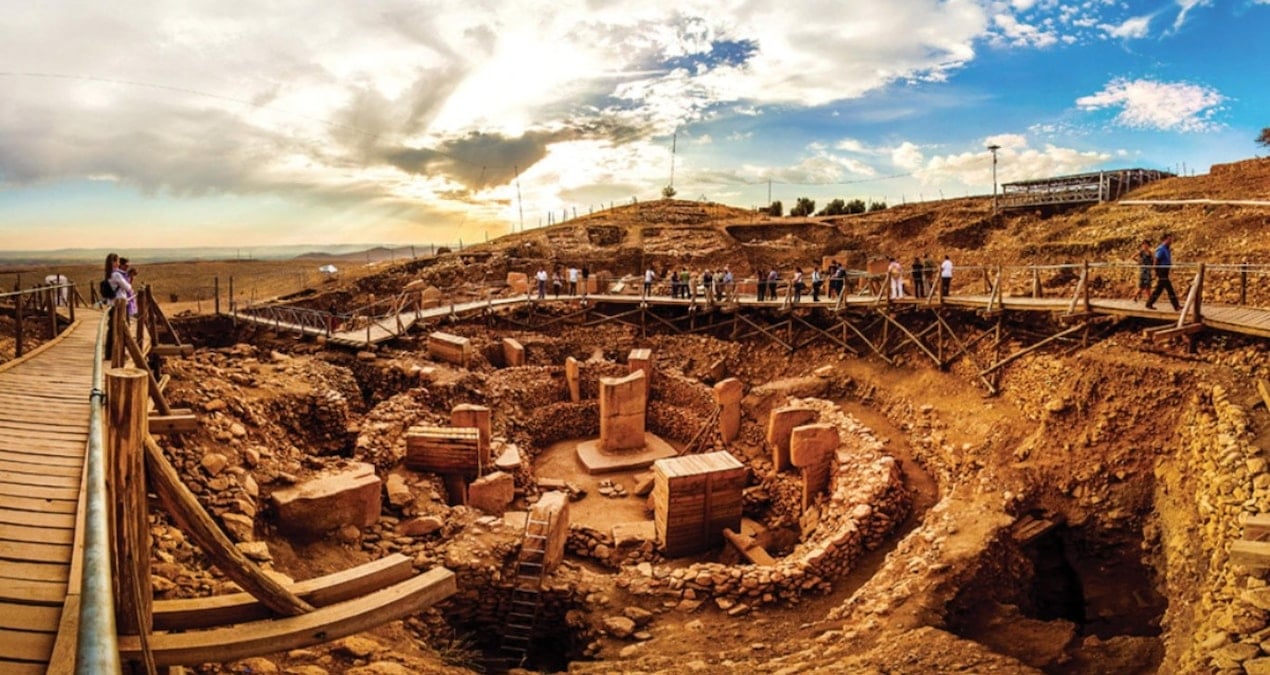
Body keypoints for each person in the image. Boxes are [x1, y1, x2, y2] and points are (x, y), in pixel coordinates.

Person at [1145, 233, 1181, 311]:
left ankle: (1149, 303)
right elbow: (1156, 260)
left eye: (1171, 239)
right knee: (1169, 288)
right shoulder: (1161, 248)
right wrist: (1155, 271)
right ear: (1165, 240)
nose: (1171, 241)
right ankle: (1176, 306)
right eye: (1169, 239)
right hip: (1161, 270)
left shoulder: (1167, 249)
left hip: (1165, 270)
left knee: (1159, 289)